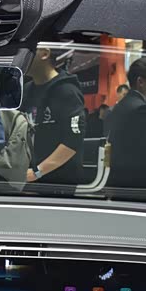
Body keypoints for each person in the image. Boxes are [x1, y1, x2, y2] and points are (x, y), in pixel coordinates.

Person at [21, 47, 86, 188]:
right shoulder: (26, 90)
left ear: (44, 53)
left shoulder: (67, 91)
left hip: (58, 183)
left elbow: (73, 139)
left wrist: (37, 172)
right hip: (29, 179)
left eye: (29, 50)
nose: (22, 56)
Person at [107, 58, 146, 190]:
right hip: (137, 178)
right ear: (140, 81)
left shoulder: (120, 105)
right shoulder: (142, 108)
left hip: (118, 175)